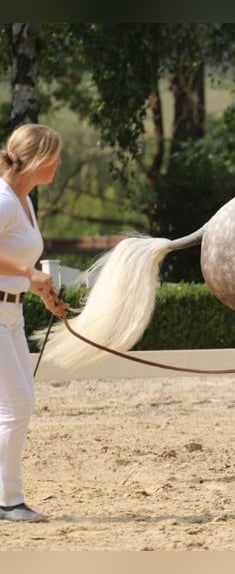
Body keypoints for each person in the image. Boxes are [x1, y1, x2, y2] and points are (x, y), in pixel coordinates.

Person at [0, 123, 68, 523]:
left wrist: (40, 289)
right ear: (39, 158)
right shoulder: (4, 201)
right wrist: (29, 272)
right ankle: (8, 501)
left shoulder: (23, 202)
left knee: (17, 404)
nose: (59, 165)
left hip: (12, 313)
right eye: (55, 157)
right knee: (17, 405)